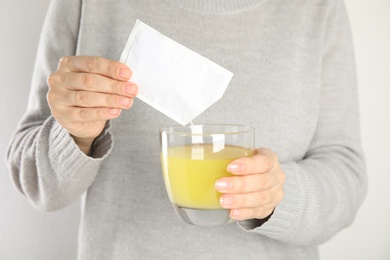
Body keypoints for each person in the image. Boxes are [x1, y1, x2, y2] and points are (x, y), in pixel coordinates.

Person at [6, 0, 367, 259]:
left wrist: (276, 196)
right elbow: (37, 185)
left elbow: (346, 174)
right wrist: (77, 135)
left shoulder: (318, 9)